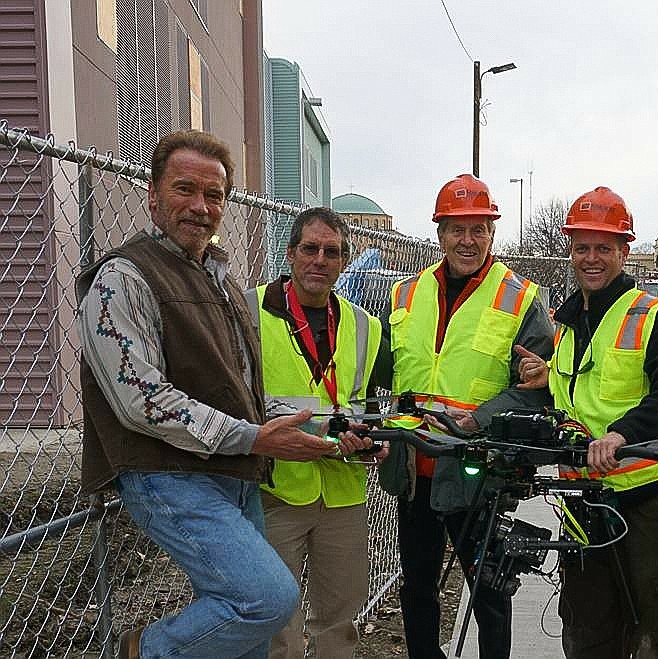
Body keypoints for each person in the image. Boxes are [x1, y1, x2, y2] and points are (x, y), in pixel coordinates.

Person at [78, 130, 346, 659]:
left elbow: (240, 391)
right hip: (167, 475)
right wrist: (252, 438)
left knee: (243, 638)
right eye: (185, 190)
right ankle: (142, 652)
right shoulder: (123, 278)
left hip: (232, 473)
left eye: (215, 195)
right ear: (153, 195)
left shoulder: (220, 280)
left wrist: (326, 426)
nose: (200, 207)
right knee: (266, 600)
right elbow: (141, 399)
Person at [516, 186, 658, 658]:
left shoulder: (649, 315)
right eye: (582, 248)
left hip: (648, 499)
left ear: (624, 250)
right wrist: (546, 379)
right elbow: (581, 391)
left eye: (604, 247)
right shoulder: (568, 321)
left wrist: (624, 433)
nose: (591, 258)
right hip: (583, 499)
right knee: (589, 625)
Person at [375, 173, 554, 659]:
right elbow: (381, 373)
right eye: (457, 229)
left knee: (489, 590)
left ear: (492, 234)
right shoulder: (406, 295)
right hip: (416, 468)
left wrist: (480, 420)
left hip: (479, 472)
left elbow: (537, 390)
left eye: (479, 229)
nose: (467, 240)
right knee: (417, 586)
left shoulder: (520, 299)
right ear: (440, 234)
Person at [244, 207, 382, 659]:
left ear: (344, 261)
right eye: (310, 249)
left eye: (332, 252)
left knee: (340, 619)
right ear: (290, 254)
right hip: (277, 488)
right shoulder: (248, 310)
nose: (320, 260)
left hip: (343, 490)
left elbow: (369, 405)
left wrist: (369, 439)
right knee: (277, 620)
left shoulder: (366, 327)